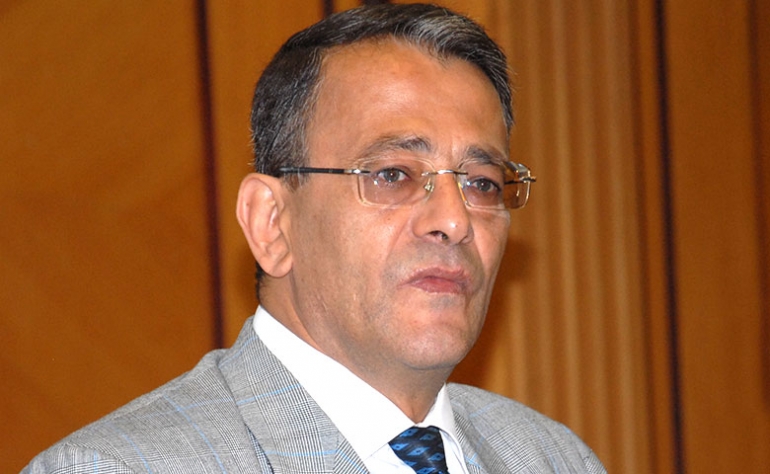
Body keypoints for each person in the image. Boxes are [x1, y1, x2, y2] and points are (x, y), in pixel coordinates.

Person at [24, 3, 605, 473]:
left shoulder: (554, 459)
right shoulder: (113, 468)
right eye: (393, 175)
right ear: (271, 223)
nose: (454, 221)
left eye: (481, 183)